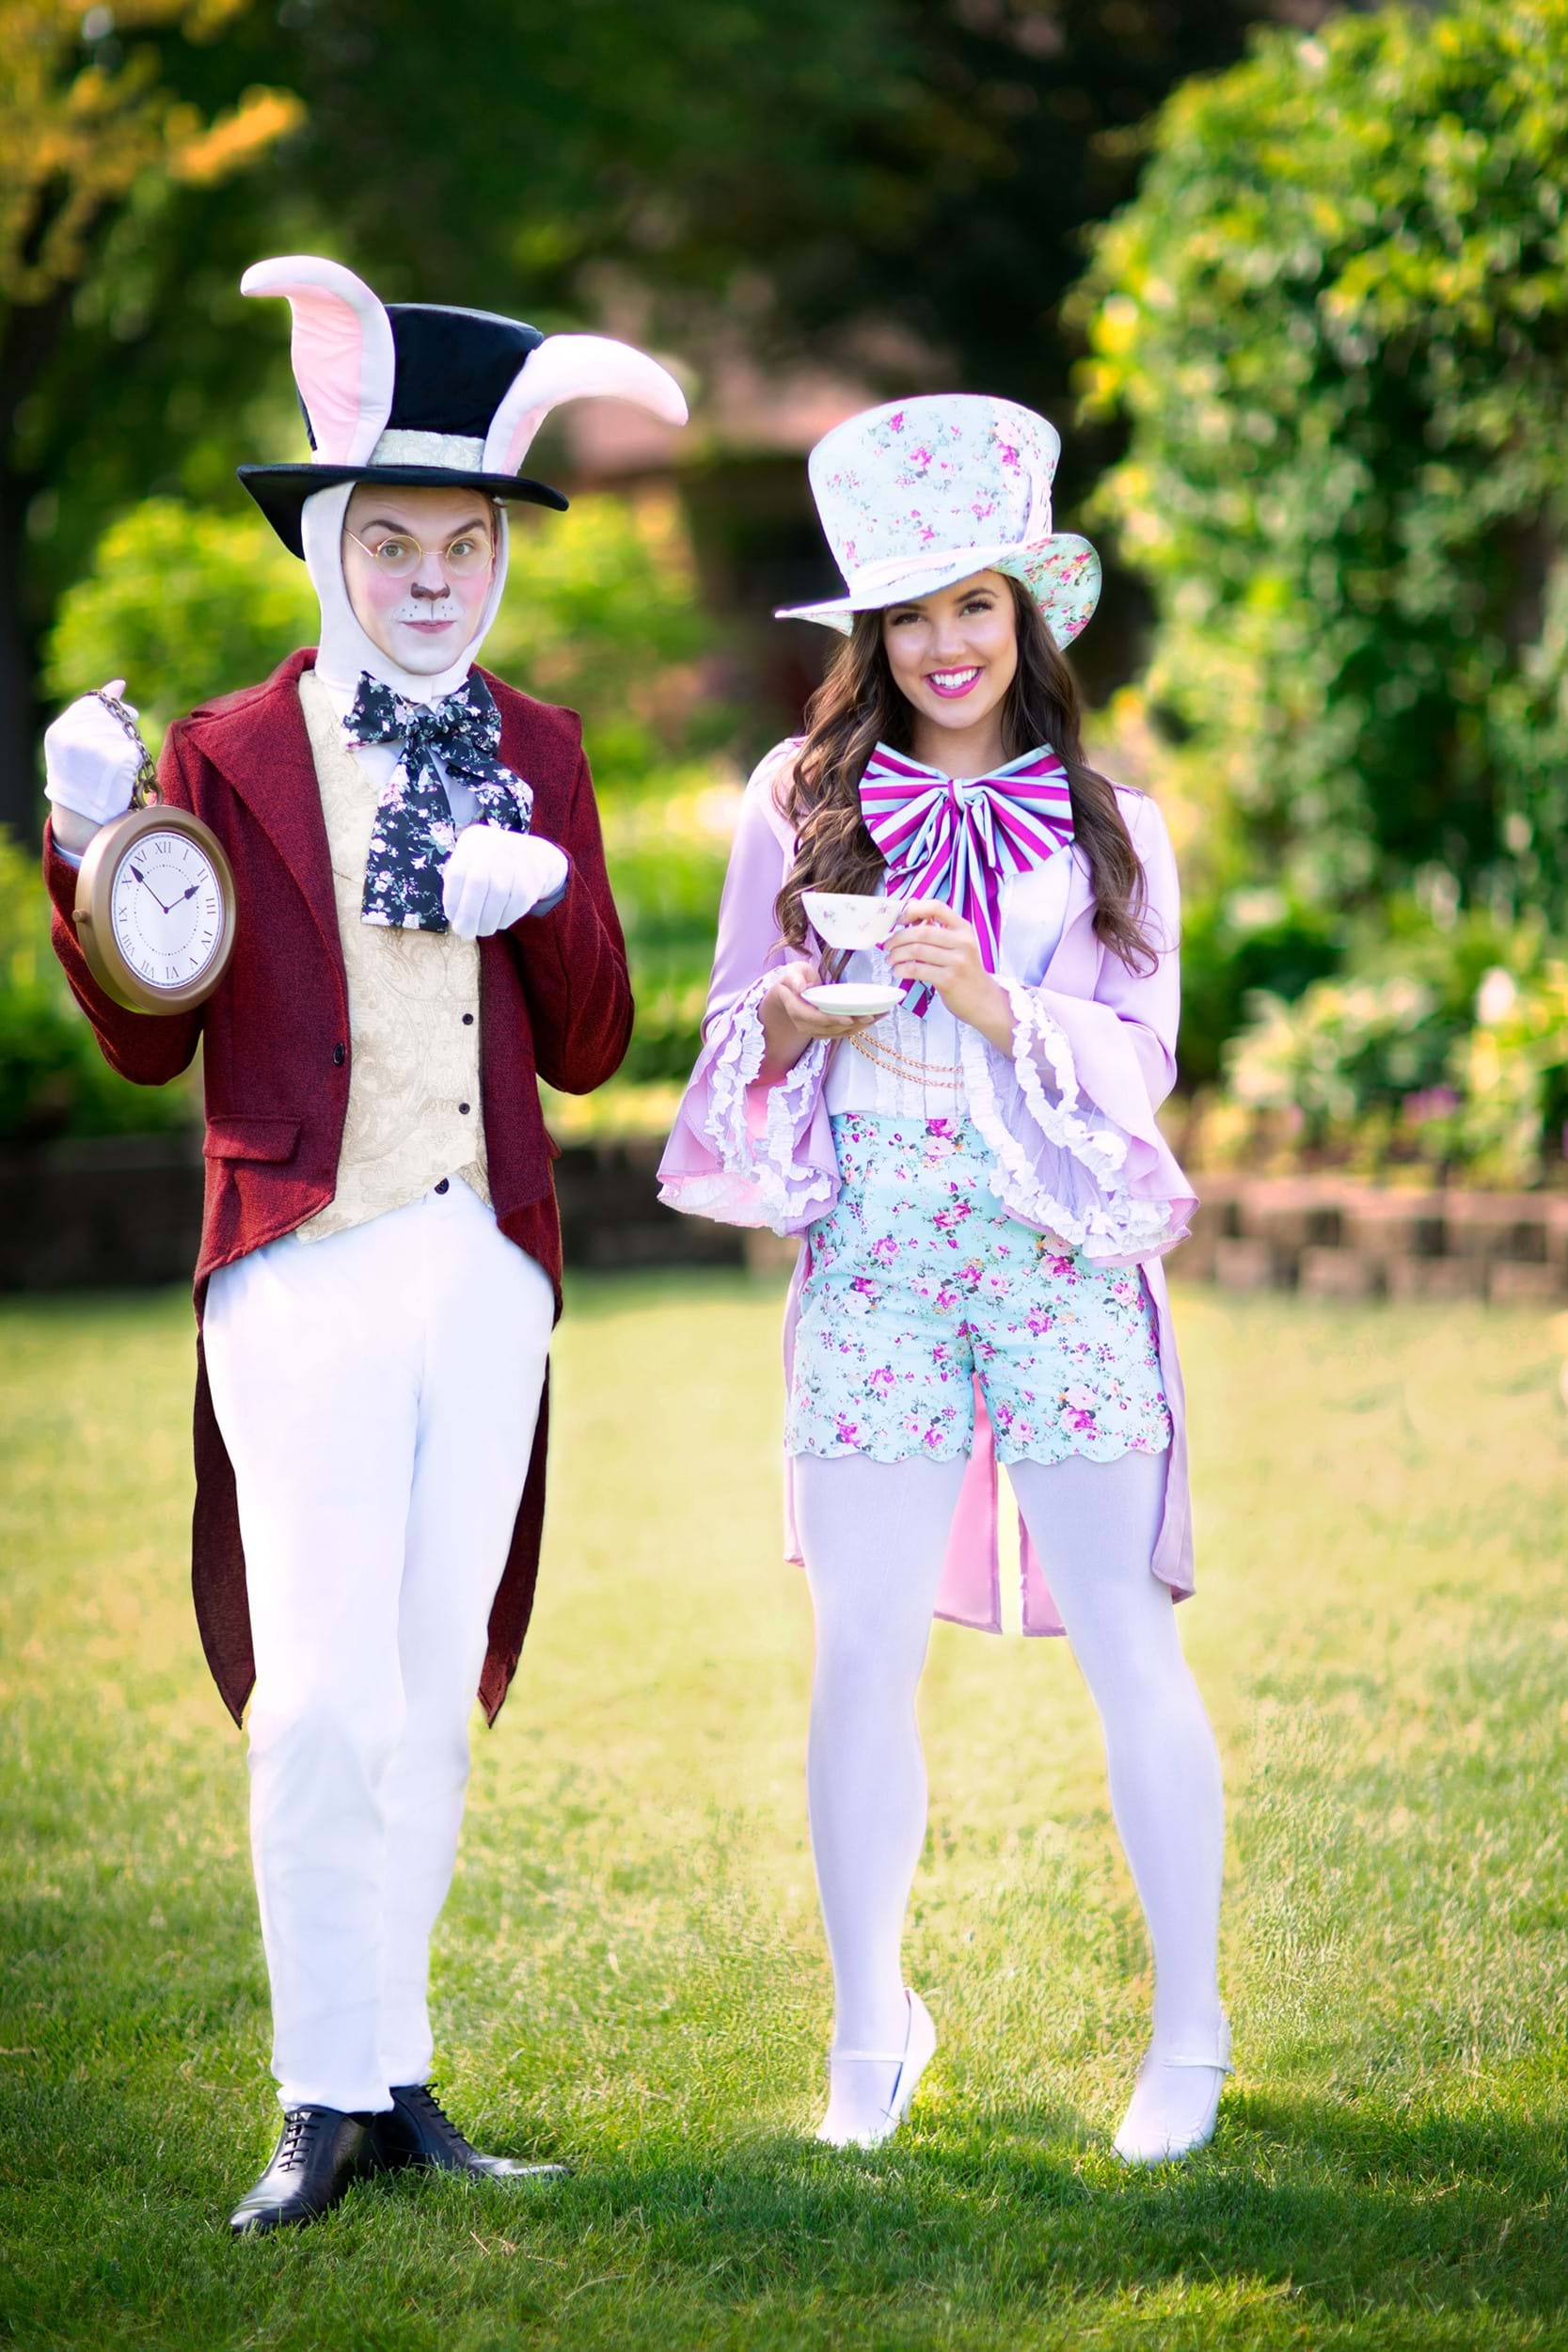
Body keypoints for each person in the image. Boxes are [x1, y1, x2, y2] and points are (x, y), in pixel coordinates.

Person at [40, 255, 687, 2233]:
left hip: (482, 1261)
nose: (428, 575)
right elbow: (149, 1028)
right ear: (326, 542)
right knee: (318, 1696)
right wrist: (83, 849)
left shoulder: (541, 745)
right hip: (300, 1254)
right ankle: (315, 2096)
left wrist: (540, 894)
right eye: (390, 539)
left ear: (500, 557)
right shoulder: (224, 754)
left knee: (427, 1688)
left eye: (464, 542)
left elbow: (592, 1044)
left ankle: (396, 2076)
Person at [659, 395, 1228, 2163]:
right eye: (907, 615)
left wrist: (998, 1004)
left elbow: (1146, 1058)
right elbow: (727, 1027)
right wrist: (785, 1016)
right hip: (877, 1261)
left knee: (1129, 1643)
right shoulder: (797, 798)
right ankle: (866, 2036)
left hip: (1055, 1257)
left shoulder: (1115, 821)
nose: (944, 645)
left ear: (1026, 613)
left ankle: (1191, 2038)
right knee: (857, 1655)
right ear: (870, 634)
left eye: (973, 604)